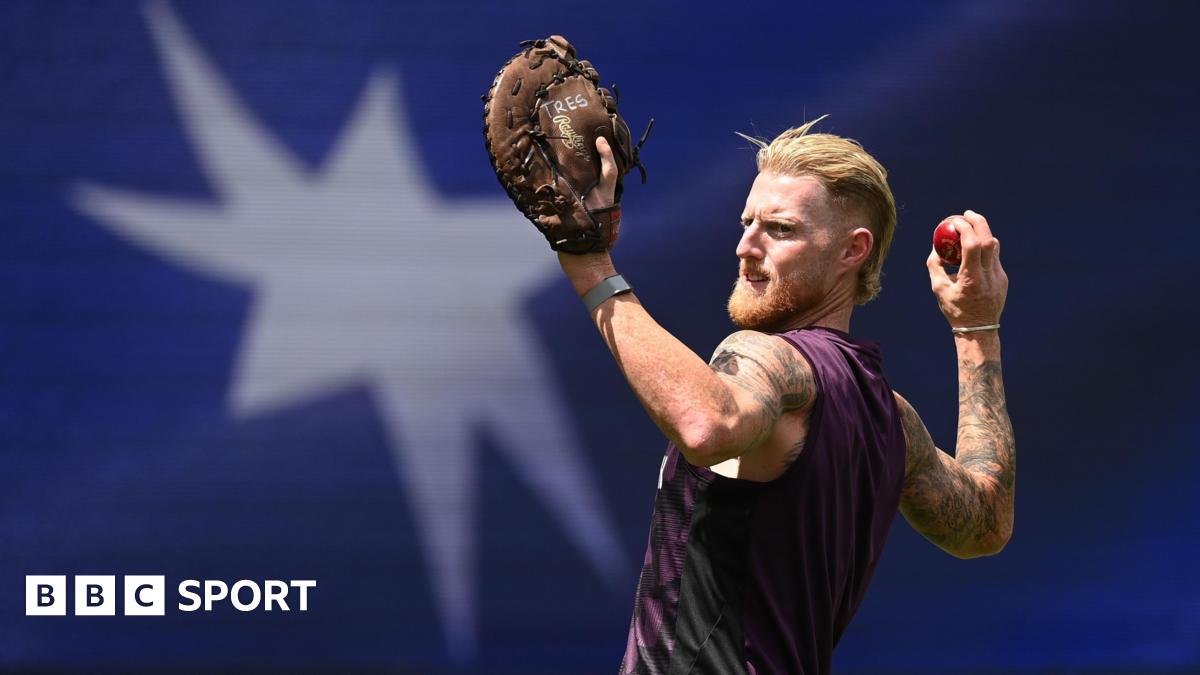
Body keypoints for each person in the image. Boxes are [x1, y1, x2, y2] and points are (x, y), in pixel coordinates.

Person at [556, 119, 1015, 675]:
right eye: (747, 222)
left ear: (853, 251)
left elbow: (707, 423)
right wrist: (977, 331)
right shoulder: (891, 419)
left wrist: (590, 265)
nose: (745, 246)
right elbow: (984, 523)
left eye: (780, 229)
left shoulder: (771, 360)